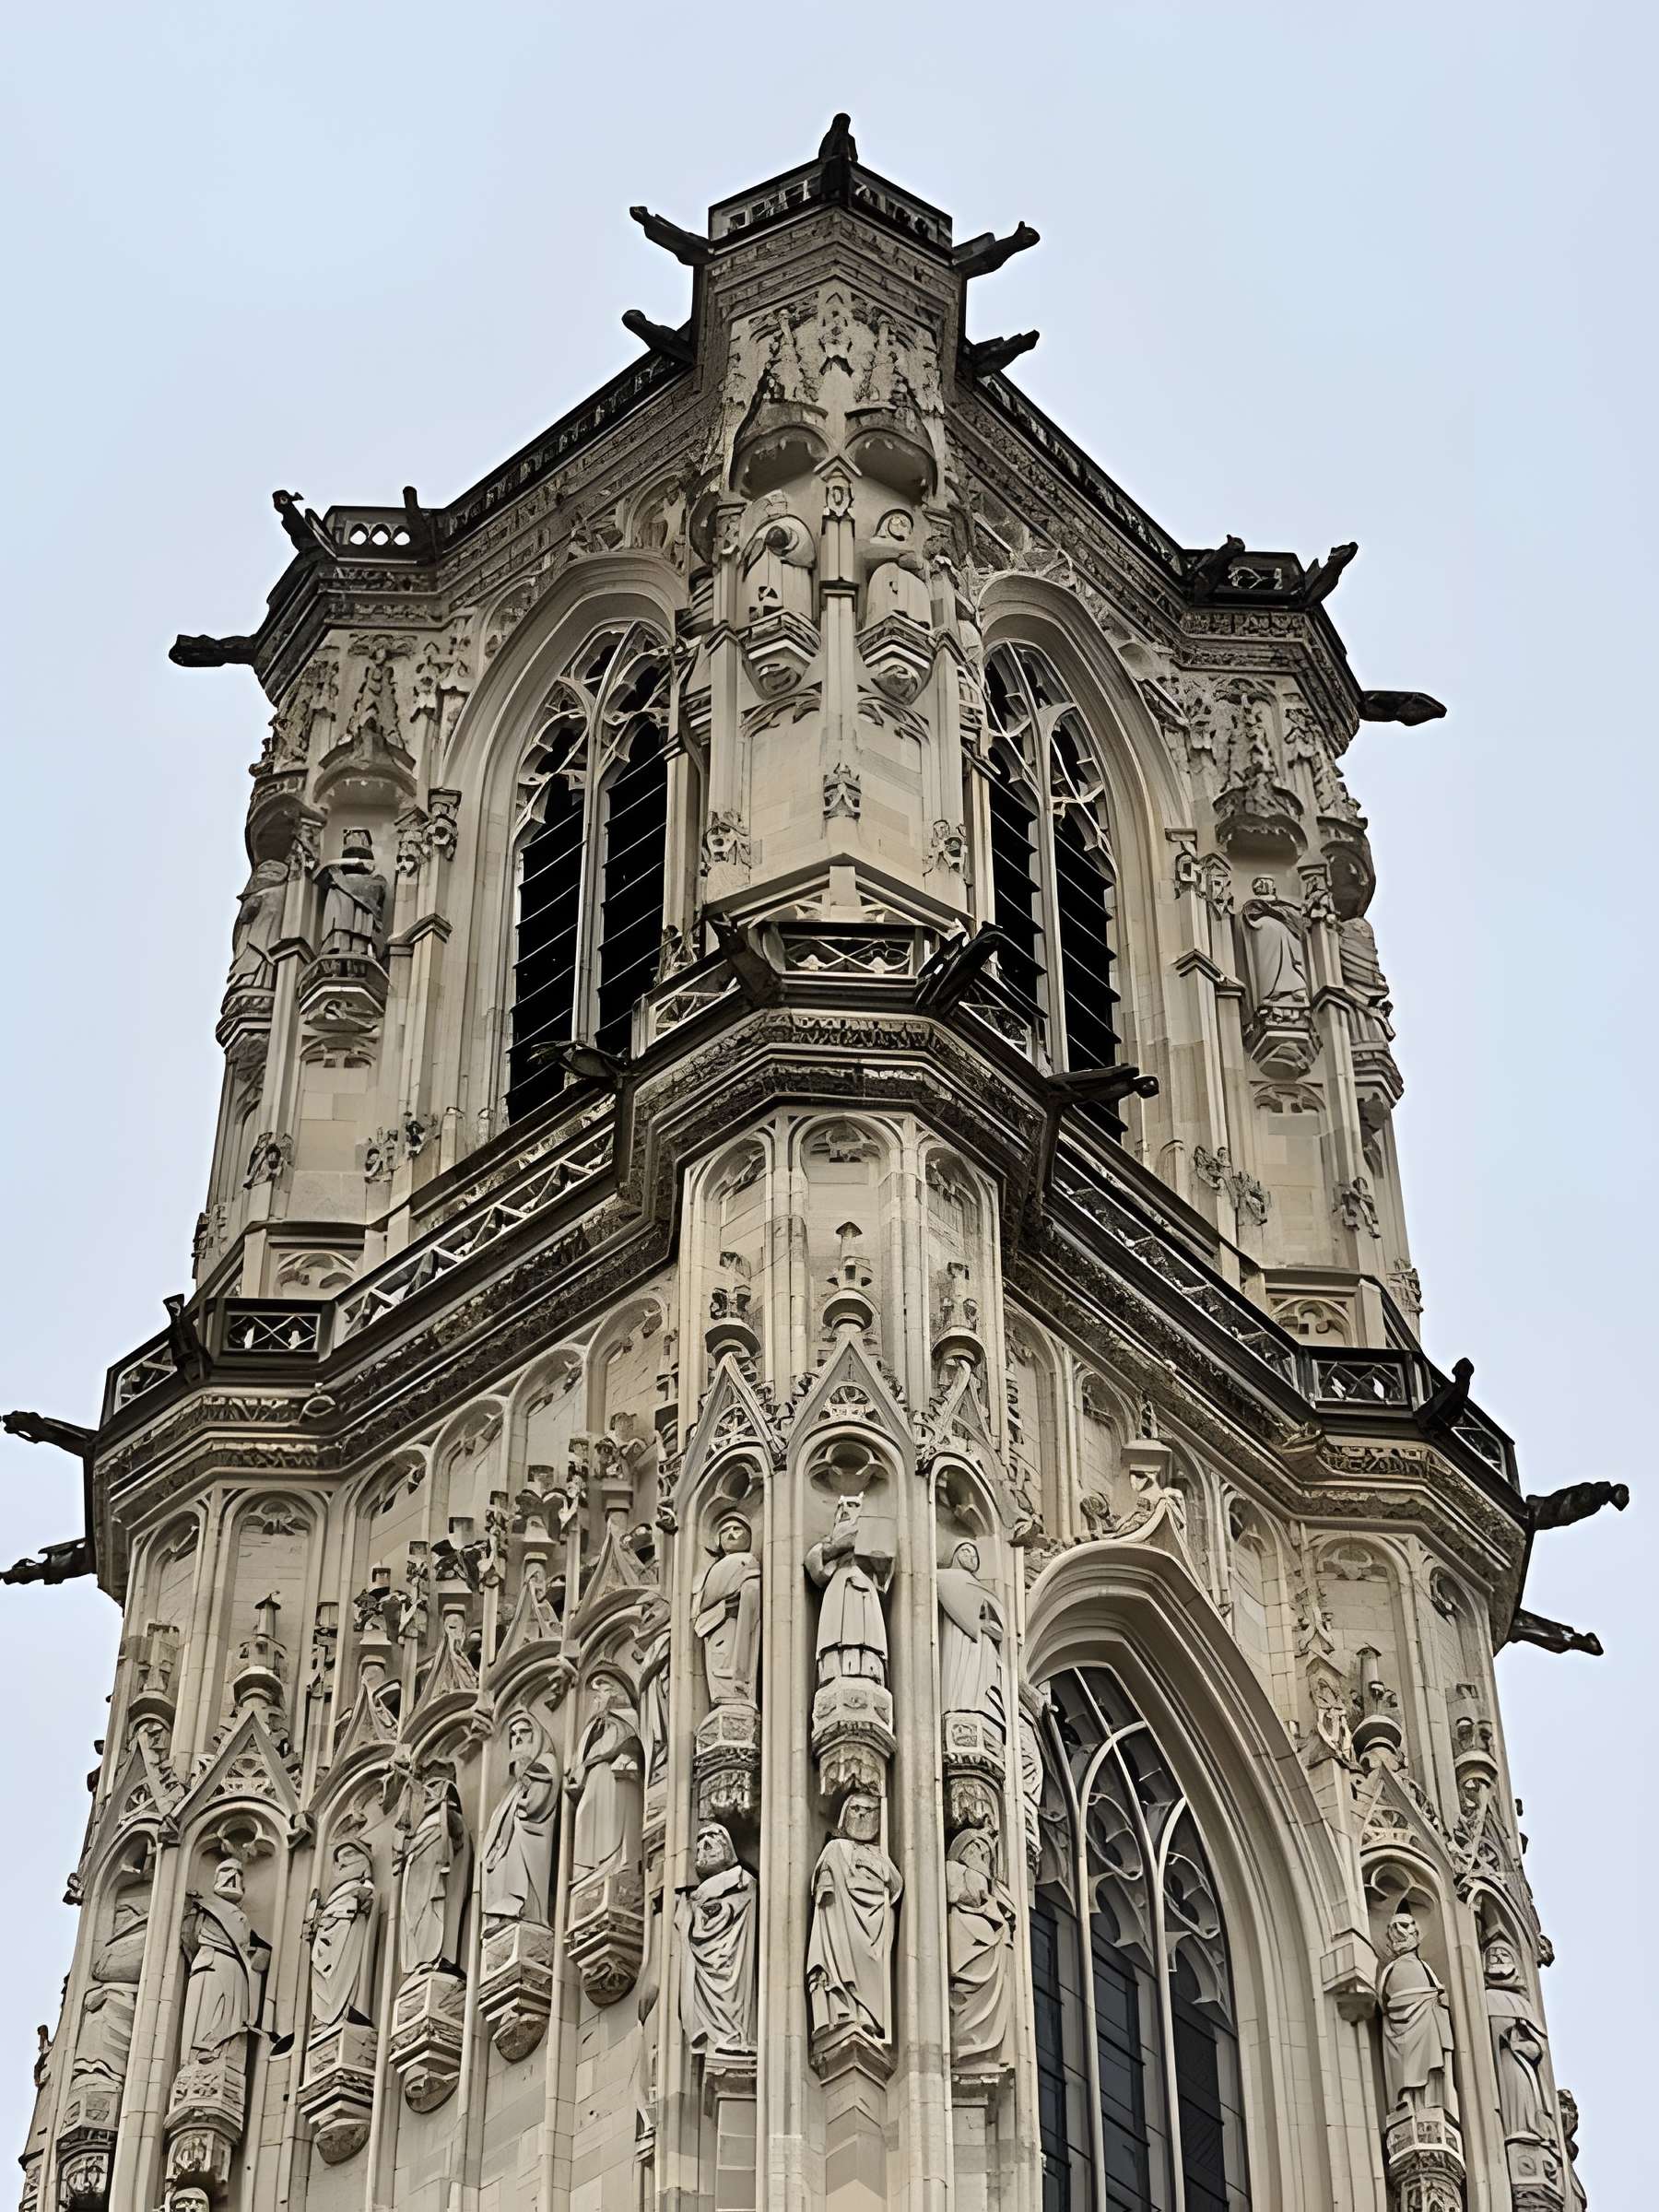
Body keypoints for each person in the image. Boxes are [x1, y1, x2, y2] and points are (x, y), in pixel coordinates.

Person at [806, 1793, 902, 2044]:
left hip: (874, 1924)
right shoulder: (836, 1847)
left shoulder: (880, 1855)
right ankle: (844, 2013)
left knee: (869, 1968)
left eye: (869, 1811)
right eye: (856, 1809)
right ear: (844, 1816)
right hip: (843, 1917)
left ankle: (867, 2016)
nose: (861, 1814)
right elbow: (824, 1884)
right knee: (842, 1963)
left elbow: (896, 1885)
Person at [678, 1825, 759, 2054]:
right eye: (700, 1840)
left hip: (730, 1953)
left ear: (726, 1847)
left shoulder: (742, 1878)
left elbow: (740, 1905)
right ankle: (716, 2032)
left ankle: (735, 2035)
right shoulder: (693, 1896)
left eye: (712, 1838)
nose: (704, 1845)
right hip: (704, 1961)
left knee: (733, 1993)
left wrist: (720, 1911)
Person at [692, 1517, 761, 1707]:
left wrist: (740, 1600)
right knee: (718, 1659)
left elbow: (752, 1592)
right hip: (715, 1625)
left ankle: (736, 1697)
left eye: (738, 1529)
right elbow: (699, 1605)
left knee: (729, 1663)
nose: (731, 1533)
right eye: (726, 1530)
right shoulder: (712, 1568)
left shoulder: (747, 1561)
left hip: (734, 1624)